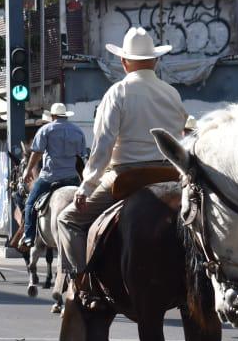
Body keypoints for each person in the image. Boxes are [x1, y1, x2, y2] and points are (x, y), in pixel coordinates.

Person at [56, 27, 187, 285]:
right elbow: (181, 136)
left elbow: (103, 145)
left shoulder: (118, 92)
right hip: (169, 174)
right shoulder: (172, 93)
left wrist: (87, 186)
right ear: (156, 60)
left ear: (124, 62)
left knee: (67, 219)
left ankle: (82, 284)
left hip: (126, 175)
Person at [19, 102, 87, 249]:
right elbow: (82, 156)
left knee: (30, 203)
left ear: (53, 116)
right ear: (65, 115)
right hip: (72, 177)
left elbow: (37, 153)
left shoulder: (46, 129)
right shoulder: (78, 131)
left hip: (50, 177)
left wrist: (28, 170)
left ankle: (29, 236)